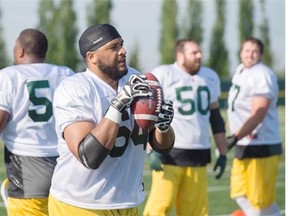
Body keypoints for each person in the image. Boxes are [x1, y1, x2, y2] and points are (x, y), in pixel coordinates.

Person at [47, 23, 175, 216]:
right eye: (113, 47)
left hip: (127, 201)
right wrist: (118, 105)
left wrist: (163, 127)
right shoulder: (75, 88)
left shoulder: (137, 79)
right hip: (80, 203)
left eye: (121, 45)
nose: (122, 51)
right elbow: (88, 156)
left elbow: (163, 147)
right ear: (92, 57)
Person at [143, 38, 228, 216]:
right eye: (194, 52)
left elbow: (216, 118)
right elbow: (149, 114)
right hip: (169, 153)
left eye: (199, 51)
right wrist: (151, 149)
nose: (199, 56)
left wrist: (223, 152)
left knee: (195, 212)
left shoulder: (210, 76)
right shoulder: (164, 73)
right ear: (180, 56)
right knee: (159, 208)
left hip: (199, 152)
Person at [0, 28, 75, 215]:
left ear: (20, 51)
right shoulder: (66, 73)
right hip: (65, 165)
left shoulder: (9, 76)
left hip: (27, 164)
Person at [227, 37, 282, 216]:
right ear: (241, 52)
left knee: (261, 201)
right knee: (239, 192)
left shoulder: (262, 74)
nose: (250, 54)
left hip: (262, 144)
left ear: (261, 55)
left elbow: (259, 113)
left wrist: (236, 136)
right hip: (244, 143)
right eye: (247, 50)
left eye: (255, 51)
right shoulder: (241, 70)